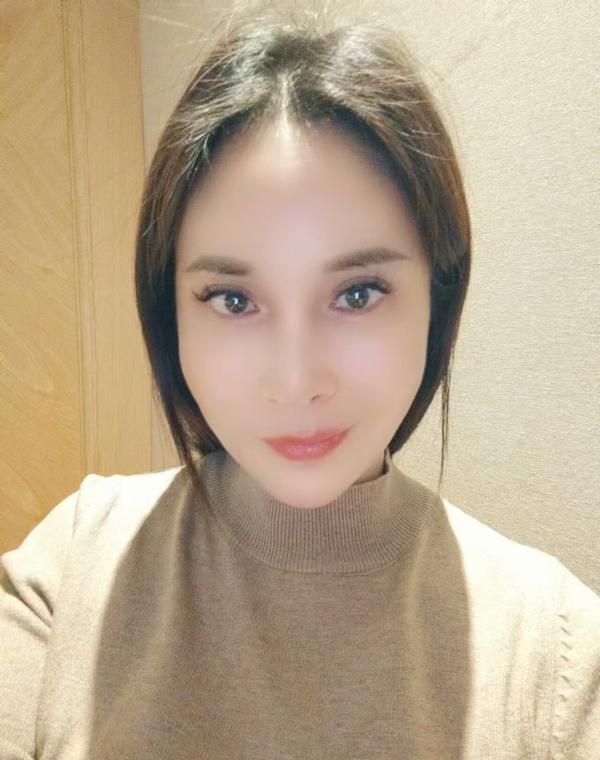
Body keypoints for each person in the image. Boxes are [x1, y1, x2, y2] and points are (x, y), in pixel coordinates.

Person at [1, 12, 599, 760]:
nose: (295, 381)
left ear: (438, 296)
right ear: (168, 309)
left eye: (357, 294)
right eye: (233, 300)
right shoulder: (74, 567)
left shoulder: (555, 652)